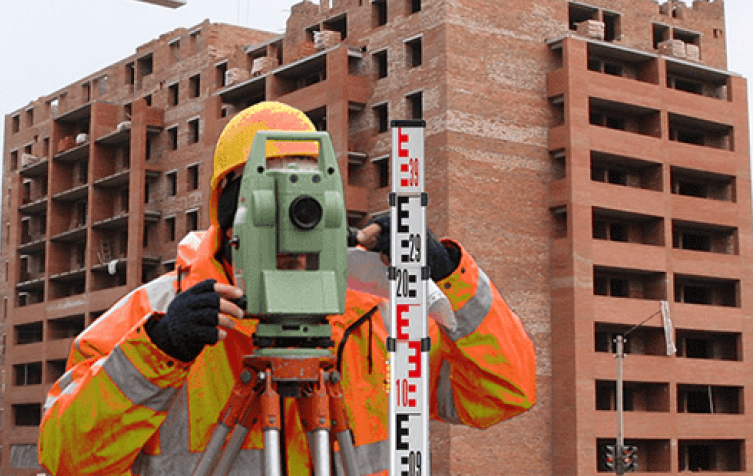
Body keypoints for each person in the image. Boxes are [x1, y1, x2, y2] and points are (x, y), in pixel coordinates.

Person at [38, 101, 536, 475]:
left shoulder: (383, 323)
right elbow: (65, 456)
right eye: (273, 197)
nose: (293, 220)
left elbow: (506, 391)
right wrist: (161, 350)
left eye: (307, 195)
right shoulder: (156, 317)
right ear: (231, 214)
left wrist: (450, 270)